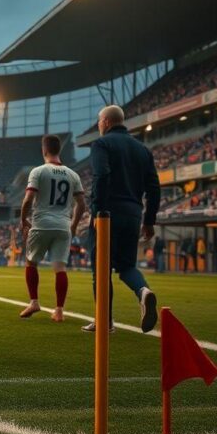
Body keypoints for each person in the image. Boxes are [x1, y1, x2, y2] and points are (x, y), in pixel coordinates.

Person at [85, 105, 161, 334]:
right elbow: (154, 187)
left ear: (106, 122)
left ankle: (105, 322)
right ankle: (143, 292)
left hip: (108, 214)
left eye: (99, 121)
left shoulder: (101, 144)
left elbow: (102, 175)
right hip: (134, 215)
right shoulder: (143, 149)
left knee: (101, 268)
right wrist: (149, 220)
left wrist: (99, 211)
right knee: (127, 266)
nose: (99, 125)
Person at [18, 135, 86, 322]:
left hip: (42, 224)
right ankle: (59, 310)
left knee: (31, 263)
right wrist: (73, 224)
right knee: (60, 268)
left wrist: (23, 219)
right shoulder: (73, 175)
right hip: (64, 226)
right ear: (59, 150)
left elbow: (28, 199)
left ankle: (34, 301)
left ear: (44, 150)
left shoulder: (38, 172)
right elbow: (81, 204)